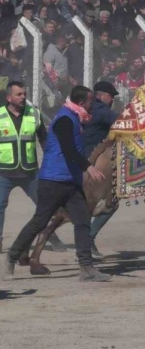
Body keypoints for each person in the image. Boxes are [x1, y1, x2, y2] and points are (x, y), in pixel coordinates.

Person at [3, 86, 110, 282]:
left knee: (83, 221)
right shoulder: (64, 119)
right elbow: (68, 149)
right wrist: (89, 167)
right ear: (80, 103)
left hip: (71, 182)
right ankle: (12, 257)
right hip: (52, 181)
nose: (92, 106)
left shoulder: (77, 118)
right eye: (89, 102)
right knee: (39, 222)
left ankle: (86, 268)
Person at [0, 81, 65, 253]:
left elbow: (44, 140)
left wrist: (50, 161)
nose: (23, 97)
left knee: (45, 206)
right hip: (3, 172)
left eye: (24, 94)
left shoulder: (34, 114)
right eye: (19, 94)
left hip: (30, 172)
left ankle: (50, 237)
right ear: (9, 97)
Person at [83, 81, 119, 259]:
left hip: (80, 161)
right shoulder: (102, 110)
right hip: (91, 165)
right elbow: (122, 123)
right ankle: (87, 241)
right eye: (111, 96)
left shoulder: (87, 108)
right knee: (110, 203)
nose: (112, 100)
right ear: (102, 95)